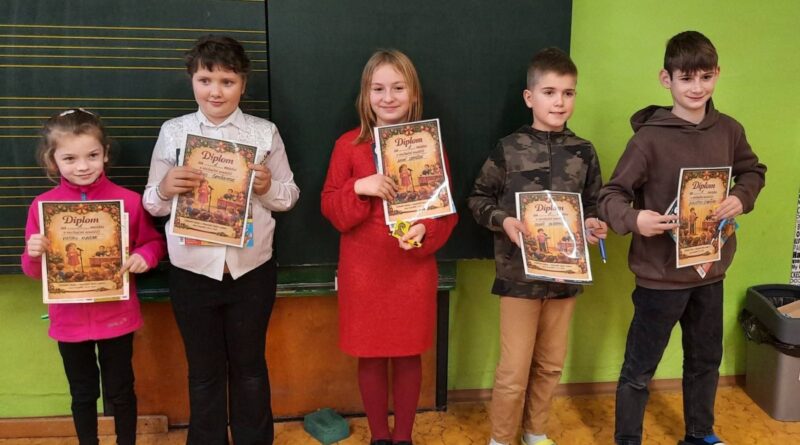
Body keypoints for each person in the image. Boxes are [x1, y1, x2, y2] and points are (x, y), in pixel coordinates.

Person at [598, 31, 766, 445]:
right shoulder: (648, 139)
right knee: (639, 368)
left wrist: (741, 198)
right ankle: (627, 439)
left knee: (706, 361)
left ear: (717, 75)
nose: (697, 87)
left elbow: (753, 171)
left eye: (705, 77)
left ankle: (699, 434)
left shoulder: (729, 130)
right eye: (686, 78)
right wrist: (636, 219)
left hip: (710, 272)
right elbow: (610, 195)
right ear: (666, 79)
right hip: (660, 278)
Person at [143, 35, 299, 445]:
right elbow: (152, 205)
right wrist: (165, 187)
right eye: (205, 80)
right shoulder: (174, 132)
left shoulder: (264, 133)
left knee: (250, 369)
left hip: (251, 271)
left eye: (227, 81)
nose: (215, 91)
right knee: (203, 371)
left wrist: (266, 187)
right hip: (192, 272)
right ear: (192, 81)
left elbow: (289, 197)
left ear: (243, 84)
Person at [467, 47, 606, 445]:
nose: (559, 101)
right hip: (518, 277)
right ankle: (500, 437)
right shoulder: (509, 148)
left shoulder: (584, 151)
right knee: (514, 369)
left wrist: (595, 224)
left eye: (568, 93)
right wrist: (505, 222)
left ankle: (535, 432)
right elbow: (478, 198)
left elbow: (594, 205)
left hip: (565, 277)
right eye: (549, 92)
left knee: (550, 365)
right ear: (530, 97)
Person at [321, 49, 457, 445]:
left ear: (413, 94)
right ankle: (380, 436)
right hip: (363, 271)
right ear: (366, 95)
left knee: (408, 353)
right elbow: (331, 206)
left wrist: (425, 230)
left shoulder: (429, 146)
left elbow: (446, 212)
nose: (388, 97)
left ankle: (404, 437)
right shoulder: (348, 145)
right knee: (371, 354)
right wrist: (359, 188)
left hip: (411, 270)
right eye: (378, 89)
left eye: (398, 88)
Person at [22, 108, 166, 445]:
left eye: (92, 155)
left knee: (121, 390)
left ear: (106, 154)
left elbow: (154, 243)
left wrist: (144, 256)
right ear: (52, 160)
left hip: (117, 316)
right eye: (69, 158)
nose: (83, 166)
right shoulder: (42, 207)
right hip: (69, 320)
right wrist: (34, 253)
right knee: (83, 392)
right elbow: (33, 272)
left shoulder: (128, 201)